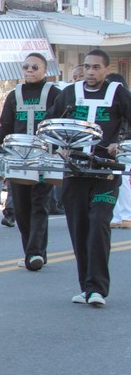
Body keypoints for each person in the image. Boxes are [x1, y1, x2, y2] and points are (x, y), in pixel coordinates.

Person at [50, 50, 131, 307]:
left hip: (105, 171)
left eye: (96, 67)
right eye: (87, 67)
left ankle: (97, 288)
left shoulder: (118, 93)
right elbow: (50, 124)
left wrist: (122, 143)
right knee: (79, 227)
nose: (91, 72)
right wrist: (58, 145)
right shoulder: (70, 94)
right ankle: (85, 287)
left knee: (98, 223)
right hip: (75, 171)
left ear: (106, 69)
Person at [0, 53, 59, 270]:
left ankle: (34, 254)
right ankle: (35, 253)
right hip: (17, 160)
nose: (29, 71)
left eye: (34, 67)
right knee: (22, 208)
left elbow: (61, 125)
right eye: (26, 67)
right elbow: (6, 127)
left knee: (40, 205)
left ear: (45, 69)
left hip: (44, 159)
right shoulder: (15, 95)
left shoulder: (55, 94)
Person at [106, 73, 131, 229]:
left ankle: (127, 215)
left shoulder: (124, 101)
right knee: (113, 181)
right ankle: (116, 216)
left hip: (125, 146)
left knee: (123, 182)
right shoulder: (109, 105)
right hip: (112, 147)